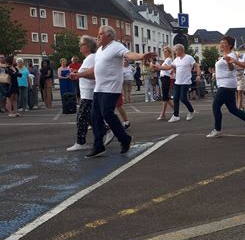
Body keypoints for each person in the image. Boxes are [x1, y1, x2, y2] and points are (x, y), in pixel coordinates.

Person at [70, 25, 155, 158]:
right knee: (95, 116)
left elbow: (129, 54)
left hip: (111, 87)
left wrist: (141, 56)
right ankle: (98, 146)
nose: (98, 36)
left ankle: (124, 139)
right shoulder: (99, 51)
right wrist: (79, 75)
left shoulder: (116, 46)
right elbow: (94, 69)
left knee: (106, 113)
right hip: (99, 87)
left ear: (109, 35)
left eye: (100, 34)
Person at [206, 36, 245, 138]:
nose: (221, 44)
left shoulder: (231, 55)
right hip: (226, 85)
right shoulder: (224, 55)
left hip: (226, 85)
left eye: (224, 43)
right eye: (221, 42)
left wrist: (228, 61)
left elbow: (231, 68)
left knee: (215, 106)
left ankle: (217, 130)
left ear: (230, 45)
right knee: (233, 109)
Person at [67, 36, 97, 151]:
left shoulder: (91, 58)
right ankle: (107, 129)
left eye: (82, 44)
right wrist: (77, 74)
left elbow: (94, 74)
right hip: (86, 92)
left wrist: (78, 74)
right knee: (89, 117)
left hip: (89, 92)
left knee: (81, 118)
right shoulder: (88, 58)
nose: (80, 46)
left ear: (88, 46)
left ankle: (81, 142)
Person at [160, 44, 201, 123]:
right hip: (177, 81)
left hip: (186, 81)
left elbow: (197, 66)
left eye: (176, 51)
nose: (175, 53)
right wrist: (159, 67)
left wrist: (198, 75)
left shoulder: (189, 58)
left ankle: (191, 111)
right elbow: (169, 67)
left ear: (180, 50)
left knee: (183, 98)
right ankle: (176, 115)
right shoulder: (176, 59)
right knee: (175, 98)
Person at [153, 46, 174, 120]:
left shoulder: (168, 59)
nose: (164, 53)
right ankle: (175, 111)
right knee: (166, 98)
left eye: (166, 51)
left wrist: (157, 66)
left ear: (169, 52)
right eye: (164, 51)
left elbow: (167, 68)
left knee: (165, 97)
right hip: (163, 77)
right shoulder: (167, 60)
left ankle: (162, 114)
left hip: (165, 77)